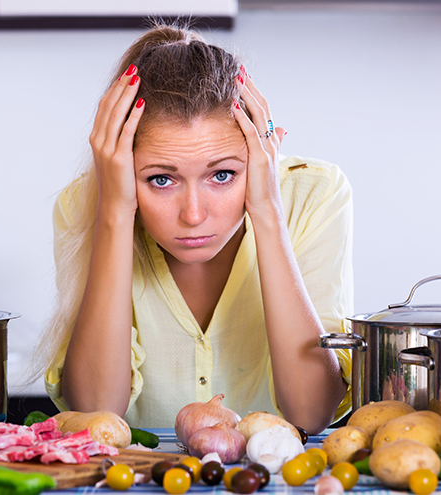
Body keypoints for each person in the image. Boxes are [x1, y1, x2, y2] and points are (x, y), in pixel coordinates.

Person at [38, 22, 353, 435]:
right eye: (161, 179)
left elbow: (311, 415)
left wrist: (268, 210)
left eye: (221, 175)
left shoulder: (315, 194)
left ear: (258, 157)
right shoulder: (86, 205)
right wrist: (114, 212)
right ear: (123, 167)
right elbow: (97, 415)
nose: (193, 214)